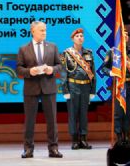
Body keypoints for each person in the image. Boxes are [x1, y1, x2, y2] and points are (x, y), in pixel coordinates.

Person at [16, 20, 63, 159]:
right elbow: (18, 68)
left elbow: (60, 65)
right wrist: (30, 71)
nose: (44, 32)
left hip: (49, 88)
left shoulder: (53, 46)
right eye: (41, 30)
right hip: (31, 88)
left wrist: (52, 69)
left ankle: (53, 148)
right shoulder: (23, 48)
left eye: (45, 30)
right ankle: (28, 149)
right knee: (30, 121)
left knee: (52, 120)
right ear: (33, 31)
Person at [100, 27, 130, 147]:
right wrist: (110, 72)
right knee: (119, 113)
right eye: (123, 35)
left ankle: (127, 137)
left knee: (128, 112)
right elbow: (103, 68)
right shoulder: (112, 52)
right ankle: (119, 138)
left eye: (127, 35)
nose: (125, 37)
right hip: (119, 85)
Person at [61, 27, 96, 150]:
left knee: (83, 114)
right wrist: (65, 90)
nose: (80, 38)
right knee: (73, 114)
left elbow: (93, 72)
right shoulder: (67, 53)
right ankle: (75, 140)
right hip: (73, 86)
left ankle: (83, 139)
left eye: (81, 36)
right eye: (77, 36)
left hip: (85, 86)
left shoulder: (89, 53)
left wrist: (92, 90)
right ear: (72, 39)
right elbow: (63, 73)